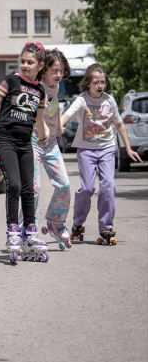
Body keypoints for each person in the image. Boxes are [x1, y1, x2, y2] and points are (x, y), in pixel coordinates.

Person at [61, 63, 142, 245]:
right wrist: (56, 126)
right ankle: (78, 225)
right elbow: (66, 116)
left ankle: (106, 227)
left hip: (106, 148)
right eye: (96, 82)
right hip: (86, 150)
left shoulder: (109, 100)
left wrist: (128, 148)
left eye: (103, 82)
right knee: (88, 188)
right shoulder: (81, 100)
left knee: (108, 186)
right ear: (88, 83)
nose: (100, 85)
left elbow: (120, 125)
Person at [0, 42, 50, 264]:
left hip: (25, 143)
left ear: (40, 65)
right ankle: (13, 230)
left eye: (30, 62)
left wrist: (43, 134)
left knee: (28, 188)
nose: (25, 65)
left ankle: (30, 232)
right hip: (5, 139)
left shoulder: (40, 91)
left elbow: (39, 120)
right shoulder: (11, 81)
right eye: (22, 61)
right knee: (13, 184)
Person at [29, 49, 72, 250]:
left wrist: (58, 126)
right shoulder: (35, 87)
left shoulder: (55, 88)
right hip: (34, 142)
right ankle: (26, 230)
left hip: (51, 142)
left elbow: (53, 108)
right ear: (43, 70)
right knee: (34, 189)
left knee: (64, 184)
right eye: (55, 71)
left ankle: (56, 223)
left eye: (61, 71)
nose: (59, 75)